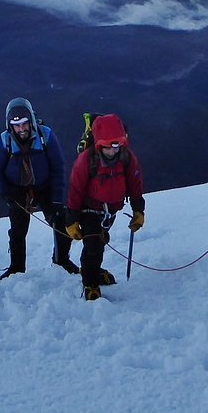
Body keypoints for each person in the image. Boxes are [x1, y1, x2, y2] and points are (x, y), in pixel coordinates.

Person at [0, 97, 78, 278]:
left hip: (45, 186)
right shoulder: (4, 141)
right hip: (17, 190)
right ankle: (16, 268)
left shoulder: (46, 136)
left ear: (31, 121)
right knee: (18, 231)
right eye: (16, 125)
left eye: (24, 123)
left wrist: (57, 199)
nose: (21, 129)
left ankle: (61, 260)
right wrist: (6, 191)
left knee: (61, 222)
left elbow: (58, 167)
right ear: (10, 125)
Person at [65, 114, 144, 300]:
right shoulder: (86, 160)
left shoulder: (126, 157)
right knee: (93, 245)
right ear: (99, 144)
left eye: (116, 145)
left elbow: (135, 184)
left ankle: (91, 270)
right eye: (108, 146)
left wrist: (138, 210)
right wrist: (72, 219)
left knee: (99, 243)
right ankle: (90, 284)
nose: (112, 151)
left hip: (110, 211)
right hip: (89, 208)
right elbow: (75, 190)